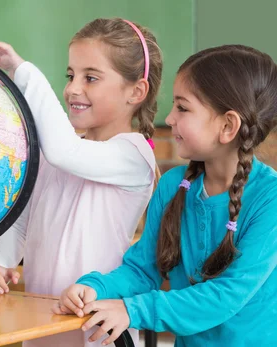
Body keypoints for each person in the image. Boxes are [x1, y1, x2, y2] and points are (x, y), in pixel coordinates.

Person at [59, 44, 277, 346]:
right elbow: (143, 268)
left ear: (228, 125)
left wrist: (131, 310)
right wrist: (96, 288)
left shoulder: (270, 198)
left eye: (183, 108)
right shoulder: (175, 186)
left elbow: (227, 295)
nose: (170, 118)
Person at [0, 18, 162, 346]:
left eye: (91, 77)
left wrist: (25, 73)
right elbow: (22, 224)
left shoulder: (134, 157)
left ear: (136, 91)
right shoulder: (57, 154)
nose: (73, 88)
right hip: (42, 326)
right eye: (71, 75)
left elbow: (65, 150)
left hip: (97, 331)